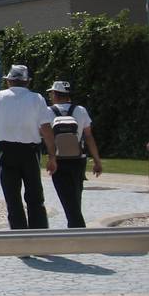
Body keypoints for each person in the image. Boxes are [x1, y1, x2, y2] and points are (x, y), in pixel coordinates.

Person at [0, 65, 57, 230]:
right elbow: (46, 129)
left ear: (9, 81)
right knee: (35, 195)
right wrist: (52, 156)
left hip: (7, 150)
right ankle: (39, 232)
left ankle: (19, 234)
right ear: (27, 81)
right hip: (30, 151)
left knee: (12, 196)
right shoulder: (37, 99)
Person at [46, 81, 102, 228]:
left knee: (66, 198)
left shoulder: (47, 112)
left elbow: (46, 136)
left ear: (55, 94)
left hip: (58, 159)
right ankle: (76, 227)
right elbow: (88, 136)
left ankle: (77, 229)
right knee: (76, 197)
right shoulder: (81, 110)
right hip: (78, 159)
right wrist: (97, 161)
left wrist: (51, 158)